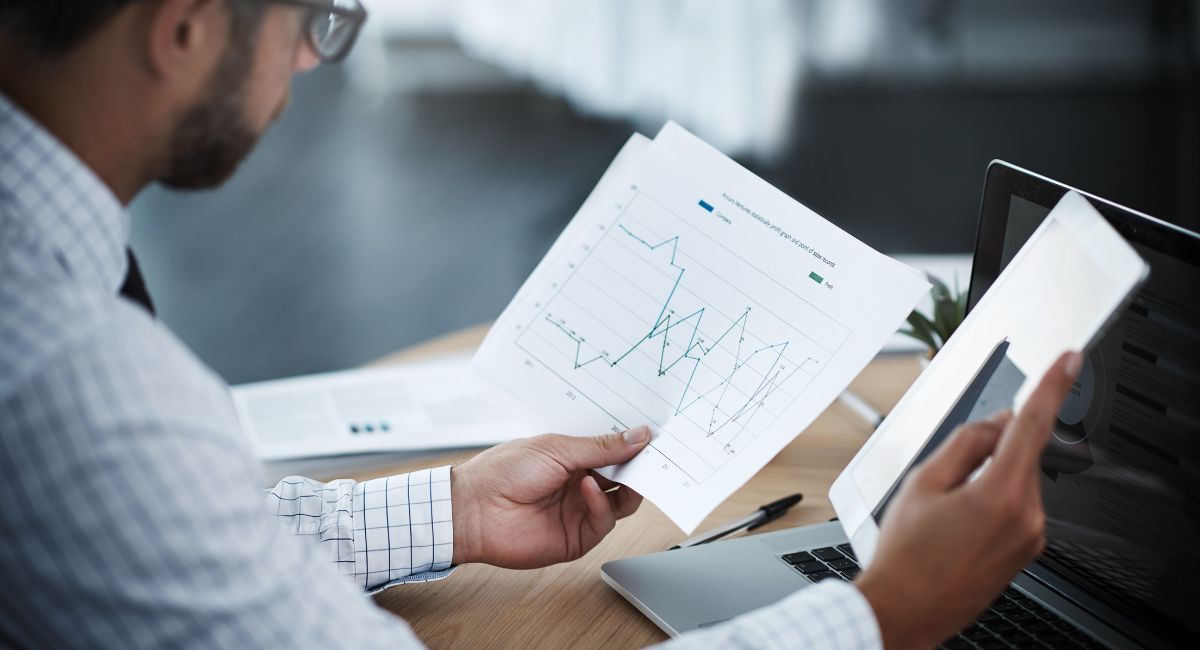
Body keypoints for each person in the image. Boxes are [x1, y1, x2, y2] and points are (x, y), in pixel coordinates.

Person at [0, 1, 1083, 647]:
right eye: (314, 13)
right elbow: (122, 474)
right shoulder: (76, 382)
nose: (305, 55)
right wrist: (884, 612)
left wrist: (450, 506)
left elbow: (162, 536)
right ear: (183, 29)